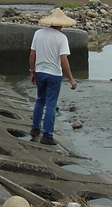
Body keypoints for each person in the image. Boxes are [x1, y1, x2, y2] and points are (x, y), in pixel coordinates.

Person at [29, 8, 78, 145]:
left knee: (40, 100)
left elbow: (32, 54)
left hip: (40, 71)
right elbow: (63, 59)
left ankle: (35, 128)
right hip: (54, 74)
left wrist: (32, 71)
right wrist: (71, 79)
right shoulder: (61, 38)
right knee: (51, 104)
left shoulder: (38, 33)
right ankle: (47, 135)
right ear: (61, 24)